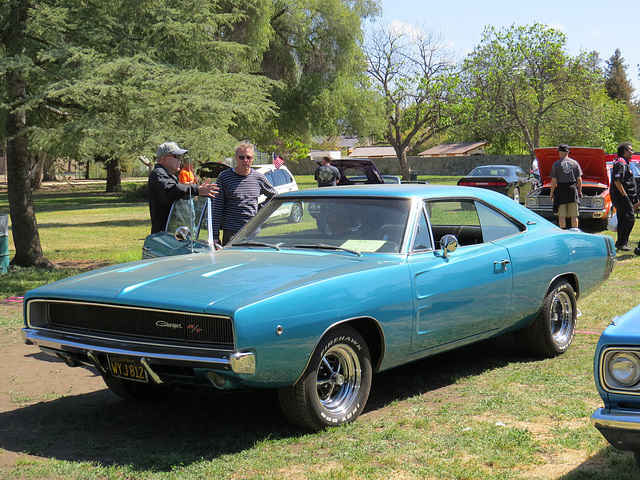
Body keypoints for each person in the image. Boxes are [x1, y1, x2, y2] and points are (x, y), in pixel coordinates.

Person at [212, 142, 277, 245]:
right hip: (232, 232)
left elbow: (274, 195)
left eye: (248, 157)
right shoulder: (224, 177)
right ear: (236, 158)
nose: (245, 160)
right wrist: (215, 236)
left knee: (253, 260)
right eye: (241, 157)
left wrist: (260, 209)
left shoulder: (258, 177)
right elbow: (217, 208)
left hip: (253, 230)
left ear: (252, 159)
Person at [148, 141, 218, 234]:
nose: (180, 159)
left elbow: (178, 189)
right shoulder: (158, 173)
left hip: (173, 233)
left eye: (180, 156)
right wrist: (197, 190)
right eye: (176, 156)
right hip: (164, 236)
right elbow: (171, 190)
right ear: (164, 159)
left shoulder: (167, 174)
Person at [610, 142, 640, 252]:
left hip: (624, 196)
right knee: (630, 219)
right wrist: (624, 195)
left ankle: (622, 243)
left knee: (623, 219)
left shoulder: (625, 162)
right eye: (630, 150)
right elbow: (617, 181)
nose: (632, 152)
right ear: (624, 151)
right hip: (621, 196)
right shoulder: (620, 163)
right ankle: (621, 243)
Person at [549, 144, 583, 229]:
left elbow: (553, 181)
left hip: (561, 190)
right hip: (572, 189)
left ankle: (563, 231)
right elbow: (579, 179)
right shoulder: (575, 163)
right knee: (574, 215)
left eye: (559, 152)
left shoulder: (556, 164)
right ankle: (575, 232)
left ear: (561, 152)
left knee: (561, 216)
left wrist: (551, 193)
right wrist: (579, 191)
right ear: (568, 152)